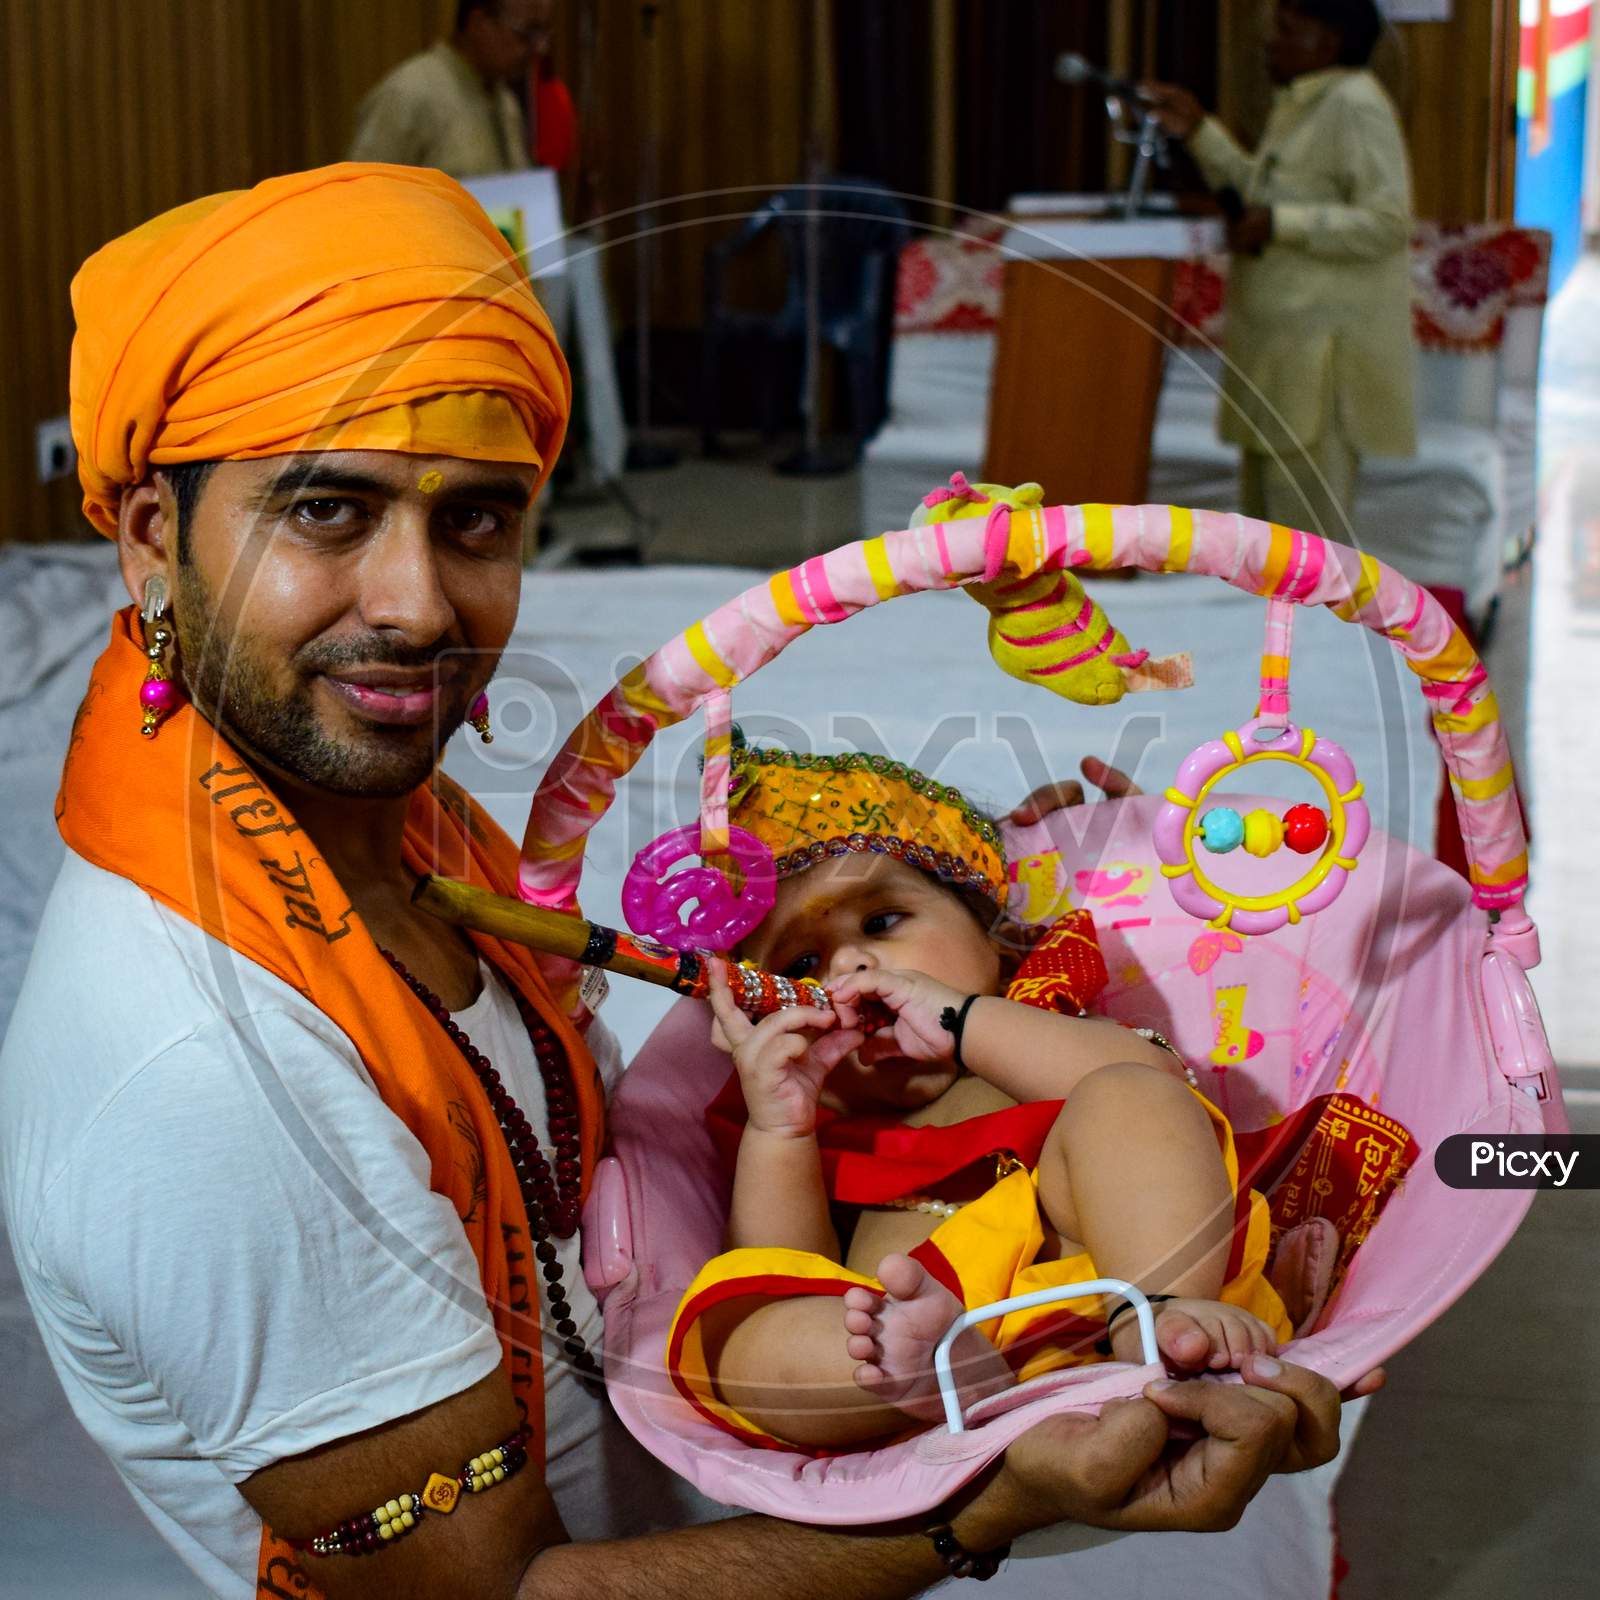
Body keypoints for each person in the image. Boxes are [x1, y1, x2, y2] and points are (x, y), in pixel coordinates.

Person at [0, 163, 1378, 1600]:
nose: (416, 605)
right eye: (328, 512)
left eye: (475, 518)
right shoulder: (201, 1072)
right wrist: (978, 1513)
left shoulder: (399, 830)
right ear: (155, 539)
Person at [669, 749, 1291, 1451]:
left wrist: (965, 1023)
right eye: (801, 966)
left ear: (994, 937)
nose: (850, 967)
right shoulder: (826, 1120)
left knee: (1130, 1094)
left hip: (1115, 1288)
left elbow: (1157, 1082)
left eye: (881, 922)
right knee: (742, 1339)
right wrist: (779, 1125)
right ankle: (948, 1375)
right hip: (917, 1350)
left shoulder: (1038, 1028)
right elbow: (783, 1270)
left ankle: (1165, 1315)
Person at [1144, 0, 1416, 545]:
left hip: (1319, 367)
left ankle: (1318, 638)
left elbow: (1388, 222)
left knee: (1308, 558)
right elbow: (1261, 193)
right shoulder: (1300, 103)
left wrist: (1279, 224)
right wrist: (1199, 131)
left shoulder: (1354, 103)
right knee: (1268, 553)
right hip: (1276, 358)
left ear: (1329, 41)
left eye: (1289, 30)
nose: (1270, 42)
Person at [348, 0, 551, 178]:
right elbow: (360, 200)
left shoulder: (506, 102)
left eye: (543, 32)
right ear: (480, 24)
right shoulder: (407, 95)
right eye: (526, 33)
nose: (540, 47)